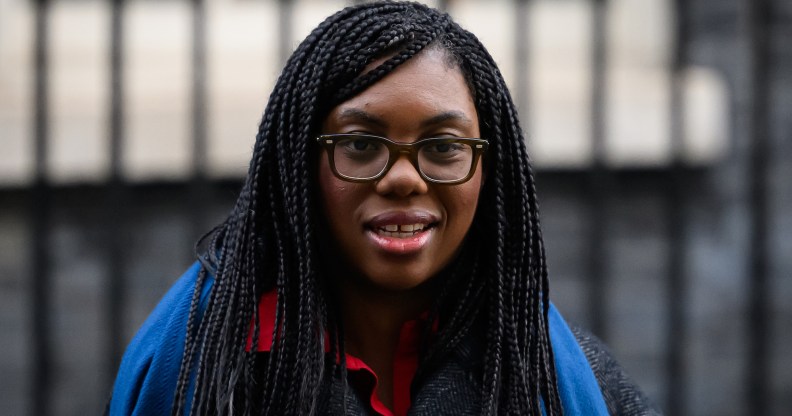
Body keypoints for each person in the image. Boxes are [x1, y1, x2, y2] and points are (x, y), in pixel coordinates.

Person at [108, 2, 659, 415]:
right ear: (301, 163)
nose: (403, 179)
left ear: (490, 171)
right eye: (360, 145)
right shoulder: (199, 365)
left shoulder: (552, 369)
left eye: (444, 148)